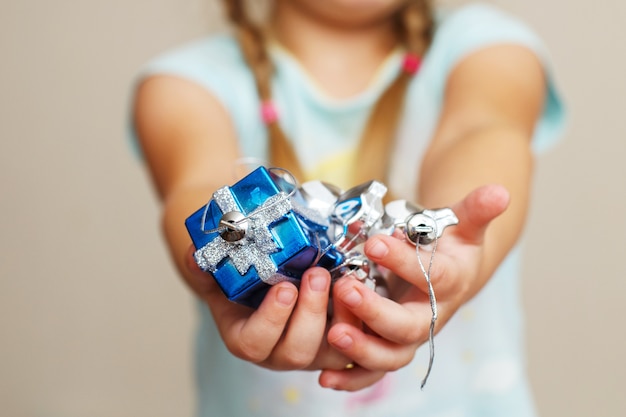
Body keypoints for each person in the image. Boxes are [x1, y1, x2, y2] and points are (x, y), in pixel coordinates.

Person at [131, 0, 565, 415]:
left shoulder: (490, 47)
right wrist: (216, 269)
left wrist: (451, 249)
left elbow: (481, 132)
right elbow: (197, 187)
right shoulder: (183, 84)